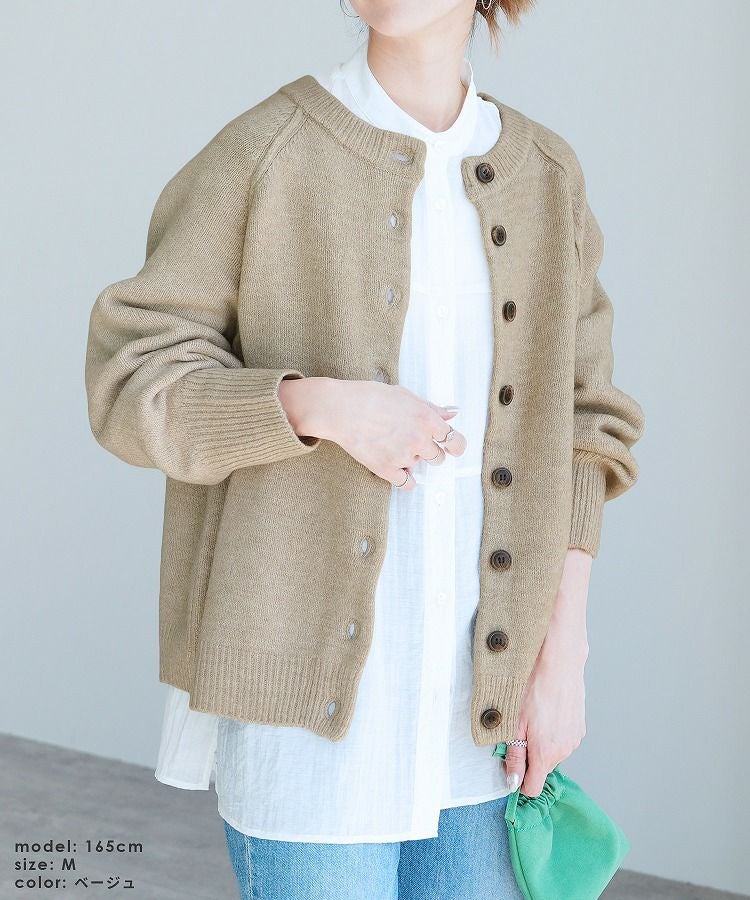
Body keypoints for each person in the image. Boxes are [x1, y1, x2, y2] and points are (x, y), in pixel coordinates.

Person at [84, 1, 645, 897]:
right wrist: (317, 406)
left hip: (483, 718)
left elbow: (587, 425)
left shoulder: (544, 175)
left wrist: (562, 659)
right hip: (308, 733)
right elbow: (130, 382)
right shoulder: (267, 150)